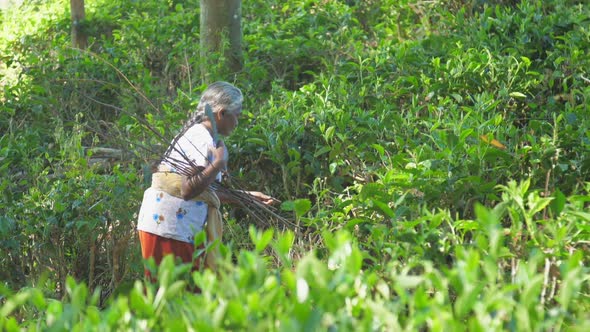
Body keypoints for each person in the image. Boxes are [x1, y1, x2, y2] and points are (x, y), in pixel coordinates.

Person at [136, 81, 275, 277]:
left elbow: (205, 191)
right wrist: (217, 164)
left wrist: (246, 197)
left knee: (180, 295)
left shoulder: (204, 137)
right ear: (222, 114)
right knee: (175, 297)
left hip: (173, 227)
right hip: (169, 228)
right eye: (237, 116)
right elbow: (187, 190)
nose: (238, 122)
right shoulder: (201, 139)